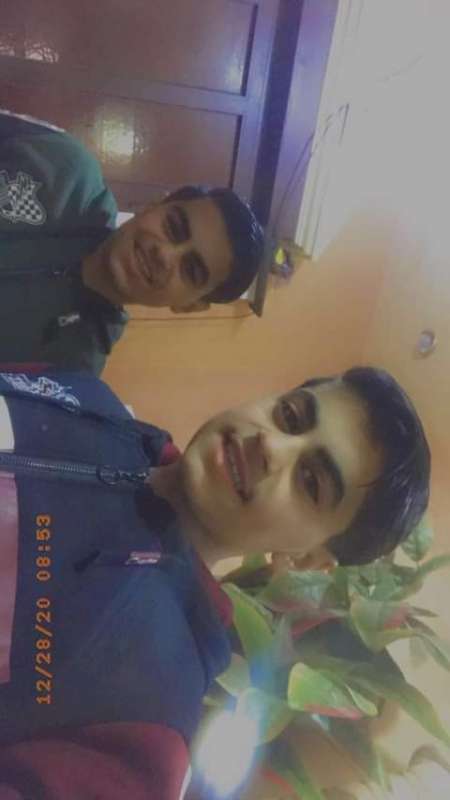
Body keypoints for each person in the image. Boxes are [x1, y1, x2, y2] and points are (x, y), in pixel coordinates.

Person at [0, 365, 429, 798]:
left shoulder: (148, 716)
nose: (271, 444)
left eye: (310, 481)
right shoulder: (90, 399)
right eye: (290, 416)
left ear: (308, 559)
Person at [0, 111, 264, 374]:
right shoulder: (66, 167)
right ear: (155, 205)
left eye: (191, 270)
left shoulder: (71, 371)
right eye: (174, 227)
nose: (164, 254)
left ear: (189, 305)